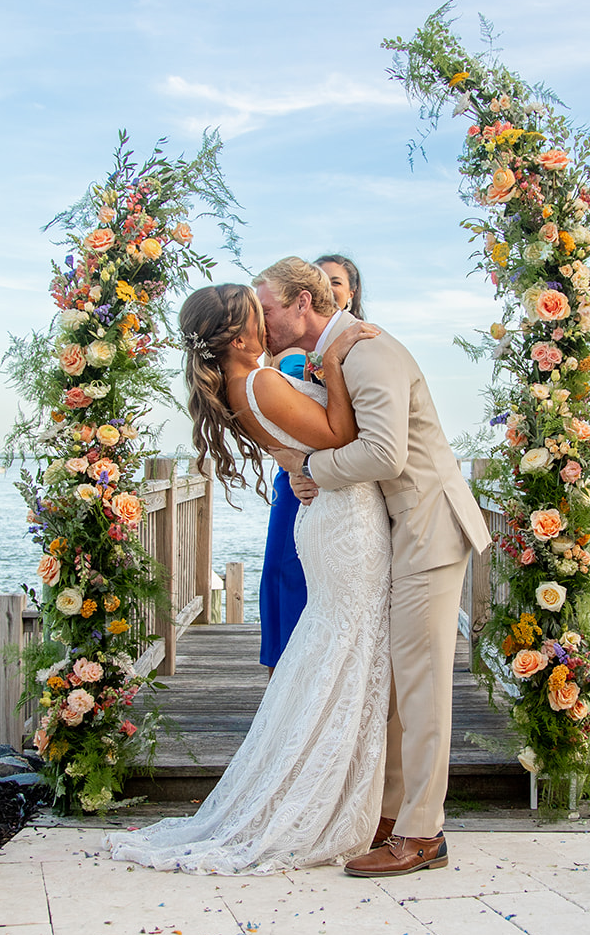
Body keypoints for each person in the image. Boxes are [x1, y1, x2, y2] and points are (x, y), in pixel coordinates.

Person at [107, 275, 389, 874]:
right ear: (237, 336)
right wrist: (333, 362)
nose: (266, 322)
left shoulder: (243, 385)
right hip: (345, 524)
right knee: (342, 648)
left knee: (332, 653)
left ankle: (339, 791)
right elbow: (342, 434)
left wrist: (298, 450)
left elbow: (299, 445)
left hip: (333, 516)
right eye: (255, 316)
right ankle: (322, 800)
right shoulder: (258, 378)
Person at [253, 257, 493, 880]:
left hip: (429, 526)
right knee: (392, 680)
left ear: (303, 303)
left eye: (269, 308)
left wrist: (312, 473)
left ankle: (423, 832)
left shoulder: (369, 351)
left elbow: (384, 453)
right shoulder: (334, 355)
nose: (262, 320)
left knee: (421, 684)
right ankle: (389, 815)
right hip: (399, 530)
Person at [258, 252, 365, 671]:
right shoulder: (288, 354)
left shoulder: (359, 347)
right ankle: (284, 670)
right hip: (300, 481)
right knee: (286, 572)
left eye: (336, 282)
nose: (329, 288)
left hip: (347, 480)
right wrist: (290, 463)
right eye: (322, 281)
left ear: (351, 294)